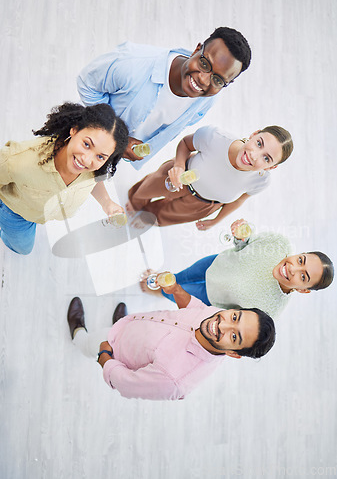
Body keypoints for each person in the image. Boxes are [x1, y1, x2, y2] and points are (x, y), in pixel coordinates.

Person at [77, 27, 251, 167]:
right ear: (196, 50)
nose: (203, 80)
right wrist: (116, 137)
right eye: (204, 63)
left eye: (218, 79)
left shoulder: (207, 99)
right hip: (85, 145)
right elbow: (87, 84)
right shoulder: (133, 62)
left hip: (115, 161)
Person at [67, 285, 276, 401]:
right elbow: (198, 308)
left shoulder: (175, 381)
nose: (222, 325)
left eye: (233, 337)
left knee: (90, 343)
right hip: (132, 326)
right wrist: (176, 290)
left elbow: (125, 383)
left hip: (113, 347)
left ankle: (78, 334)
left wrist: (105, 356)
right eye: (235, 317)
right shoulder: (218, 315)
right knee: (129, 327)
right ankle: (122, 325)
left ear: (233, 353)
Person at [0, 102, 128, 255]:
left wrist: (107, 203)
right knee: (23, 249)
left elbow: (92, 180)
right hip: (15, 213)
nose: (87, 161)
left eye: (100, 156)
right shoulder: (19, 160)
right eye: (86, 144)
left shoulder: (93, 169)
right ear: (74, 130)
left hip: (40, 212)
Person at [149, 219, 334, 319]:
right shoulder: (279, 243)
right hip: (214, 264)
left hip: (209, 297)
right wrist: (241, 235)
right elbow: (245, 243)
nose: (293, 268)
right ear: (300, 253)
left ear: (303, 290)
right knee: (181, 276)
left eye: (303, 276)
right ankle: (161, 281)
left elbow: (236, 319)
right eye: (300, 260)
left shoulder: (270, 310)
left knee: (172, 292)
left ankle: (159, 290)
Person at [127, 124, 293, 228]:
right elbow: (186, 143)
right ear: (254, 134)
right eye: (259, 143)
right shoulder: (215, 137)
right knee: (145, 190)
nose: (253, 156)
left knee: (161, 216)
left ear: (272, 167)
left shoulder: (261, 180)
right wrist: (178, 166)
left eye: (266, 158)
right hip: (181, 175)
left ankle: (147, 217)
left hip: (202, 205)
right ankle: (134, 203)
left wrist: (216, 219)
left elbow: (239, 200)